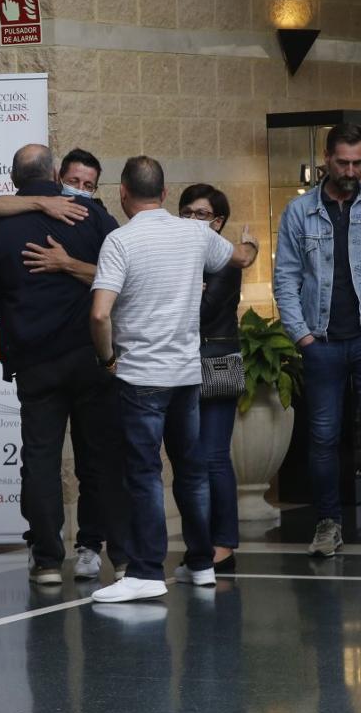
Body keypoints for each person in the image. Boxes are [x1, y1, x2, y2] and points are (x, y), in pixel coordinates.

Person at [88, 156, 258, 604]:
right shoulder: (197, 233)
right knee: (192, 470)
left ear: (122, 192)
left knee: (144, 474)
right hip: (187, 374)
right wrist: (253, 246)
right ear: (164, 195)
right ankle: (201, 563)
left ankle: (146, 570)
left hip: (141, 376)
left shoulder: (119, 242)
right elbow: (240, 257)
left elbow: (100, 312)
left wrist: (107, 359)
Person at [0, 144, 130, 585]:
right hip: (92, 355)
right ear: (57, 172)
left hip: (35, 360)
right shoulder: (91, 217)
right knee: (100, 457)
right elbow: (121, 275)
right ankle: (118, 555)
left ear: (13, 177)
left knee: (40, 460)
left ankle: (46, 561)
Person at [272, 123, 361, 564]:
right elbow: (286, 277)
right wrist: (303, 336)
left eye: (357, 162)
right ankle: (327, 524)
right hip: (323, 342)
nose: (351, 170)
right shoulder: (300, 212)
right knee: (323, 436)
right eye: (343, 162)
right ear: (326, 158)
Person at [180, 184, 243, 572]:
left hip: (217, 362)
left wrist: (186, 291)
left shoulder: (226, 260)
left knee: (215, 456)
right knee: (193, 460)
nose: (192, 220)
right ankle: (202, 546)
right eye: (186, 212)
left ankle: (224, 544)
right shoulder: (184, 255)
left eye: (201, 214)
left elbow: (200, 312)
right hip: (186, 364)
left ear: (217, 222)